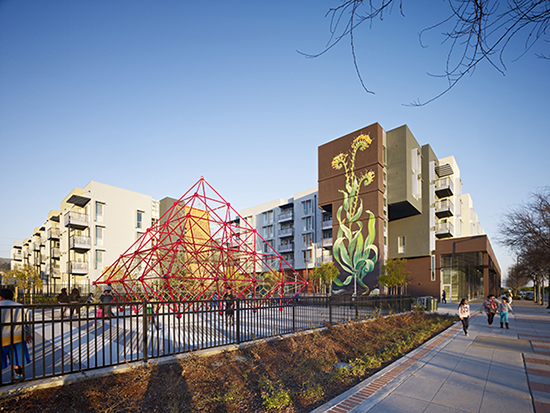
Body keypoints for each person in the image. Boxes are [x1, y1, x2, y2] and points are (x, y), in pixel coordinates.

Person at [0, 288, 32, 381]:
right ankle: (19, 376)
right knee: (18, 357)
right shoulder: (21, 307)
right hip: (18, 336)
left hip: (2, 337)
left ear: (1, 297)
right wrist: (29, 333)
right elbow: (28, 322)